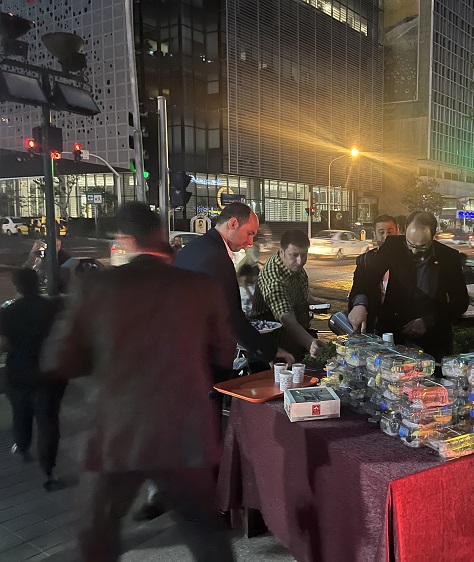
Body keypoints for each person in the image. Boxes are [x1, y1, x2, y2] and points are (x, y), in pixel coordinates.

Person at [41, 202, 236, 562]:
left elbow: (59, 359)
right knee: (203, 528)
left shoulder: (97, 286)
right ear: (160, 234)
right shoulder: (200, 287)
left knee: (97, 529)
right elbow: (225, 353)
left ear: (125, 240)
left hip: (118, 431)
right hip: (184, 430)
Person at [174, 202, 294, 367]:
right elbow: (230, 318)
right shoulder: (217, 259)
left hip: (182, 352)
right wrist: (269, 351)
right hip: (203, 359)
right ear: (232, 224)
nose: (250, 242)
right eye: (249, 233)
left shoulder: (193, 247)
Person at [348, 211, 469, 361]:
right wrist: (360, 303)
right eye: (410, 244)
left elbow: (460, 302)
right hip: (394, 334)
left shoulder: (449, 257)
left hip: (433, 341)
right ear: (405, 231)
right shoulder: (393, 245)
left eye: (422, 247)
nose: (414, 251)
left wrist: (429, 321)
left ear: (433, 236)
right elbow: (367, 274)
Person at [0, 268, 64, 490]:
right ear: (37, 283)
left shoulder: (9, 311)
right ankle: (48, 472)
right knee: (48, 423)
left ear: (17, 286)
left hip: (18, 373)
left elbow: (3, 345)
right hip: (48, 372)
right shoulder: (52, 307)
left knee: (20, 414)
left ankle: (23, 446)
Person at [253, 229, 324, 361]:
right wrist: (310, 342)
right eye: (294, 255)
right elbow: (286, 318)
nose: (300, 261)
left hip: (296, 343)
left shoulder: (296, 269)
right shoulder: (273, 278)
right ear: (282, 252)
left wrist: (315, 303)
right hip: (274, 351)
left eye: (304, 255)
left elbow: (300, 295)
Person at [347, 214, 399, 329]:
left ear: (397, 231)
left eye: (390, 231)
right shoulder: (365, 260)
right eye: (381, 232)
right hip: (374, 321)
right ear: (375, 235)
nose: (386, 236)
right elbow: (359, 287)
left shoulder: (407, 259)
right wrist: (360, 304)